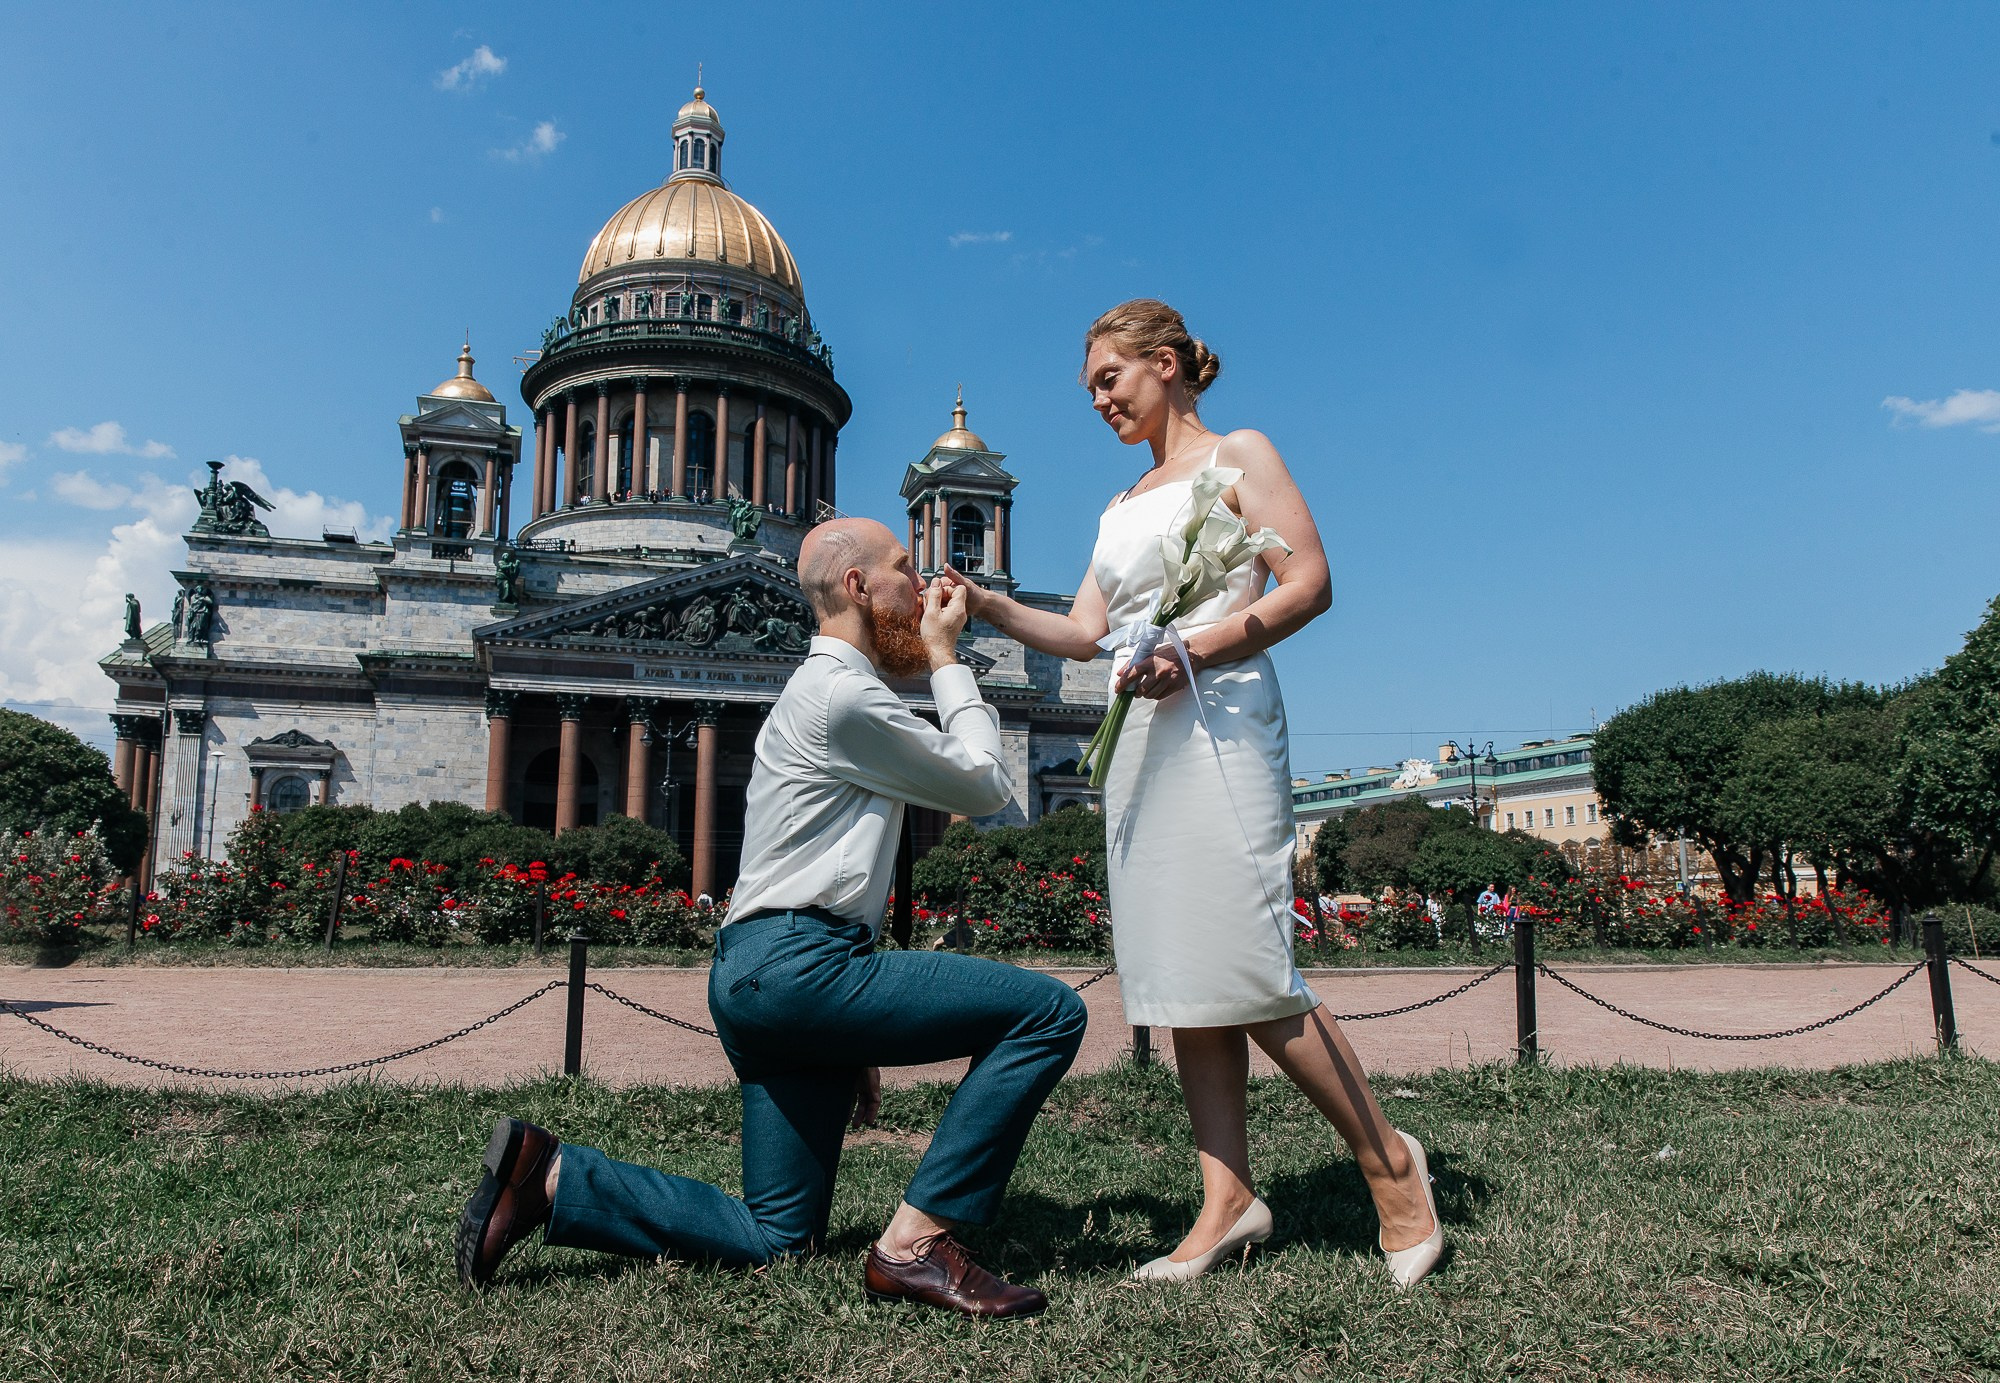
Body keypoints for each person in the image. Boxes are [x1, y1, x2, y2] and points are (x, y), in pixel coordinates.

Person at [457, 519, 1086, 1318]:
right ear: (857, 586)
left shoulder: (814, 695)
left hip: (763, 974)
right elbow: (987, 782)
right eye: (904, 569)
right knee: (1048, 1012)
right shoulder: (843, 694)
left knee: (777, 1235)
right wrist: (946, 657)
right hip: (802, 966)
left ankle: (547, 1175)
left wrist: (843, 1030)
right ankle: (916, 1243)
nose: (922, 586)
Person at [940, 299, 1442, 1288]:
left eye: (1107, 380)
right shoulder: (1121, 502)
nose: (1096, 401)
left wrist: (1193, 646)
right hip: (1140, 746)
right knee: (1181, 981)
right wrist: (992, 606)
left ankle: (1390, 1166)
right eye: (1089, 388)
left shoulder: (1239, 455)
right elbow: (1087, 632)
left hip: (1219, 725)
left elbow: (1306, 583)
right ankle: (1225, 1201)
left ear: (1163, 364)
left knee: (1247, 967)